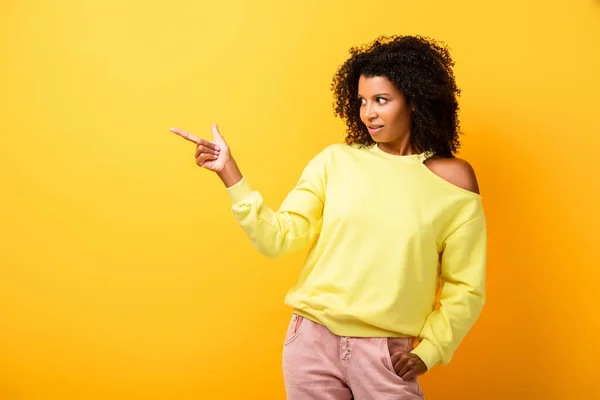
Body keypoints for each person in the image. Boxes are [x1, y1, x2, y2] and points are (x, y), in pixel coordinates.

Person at [170, 34, 487, 400]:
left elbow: (465, 287)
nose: (368, 113)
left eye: (381, 100)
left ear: (414, 102)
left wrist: (429, 350)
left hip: (384, 354)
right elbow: (278, 239)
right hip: (311, 343)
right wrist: (230, 173)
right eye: (362, 101)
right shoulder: (335, 161)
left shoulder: (454, 181)